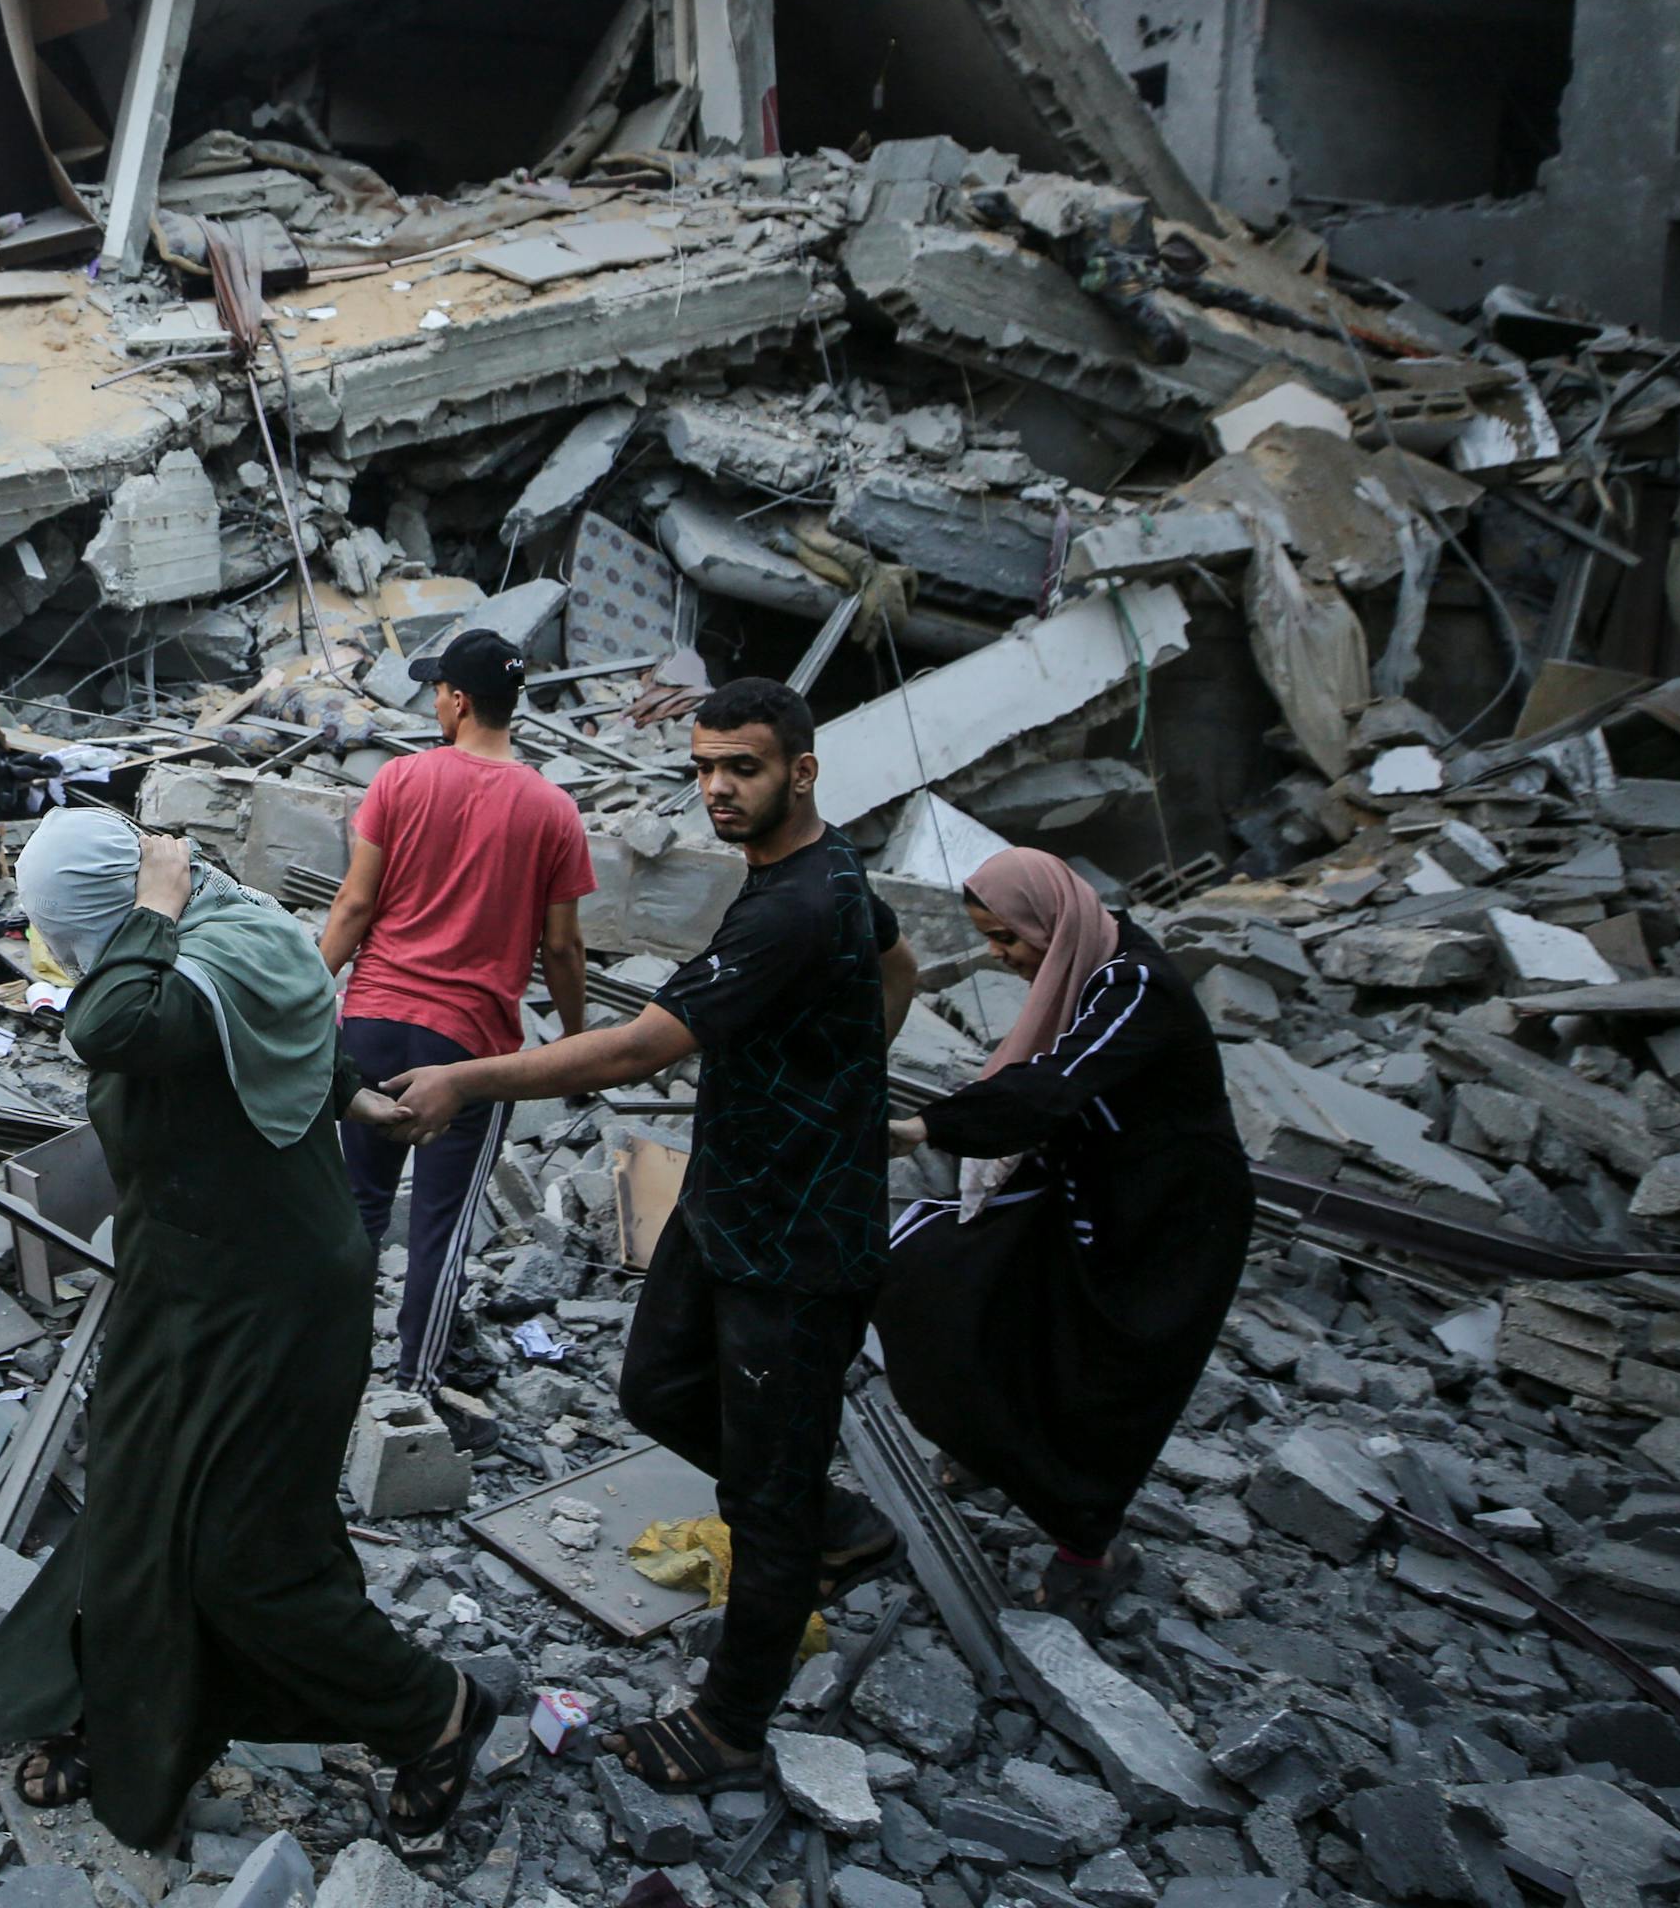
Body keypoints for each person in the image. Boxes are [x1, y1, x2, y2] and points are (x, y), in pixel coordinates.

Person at [376, 677, 913, 1792]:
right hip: (730, 1202)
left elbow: (634, 1051)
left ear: (801, 772)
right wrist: (835, 1074)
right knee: (656, 1390)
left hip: (797, 1243)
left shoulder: (799, 906)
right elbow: (898, 969)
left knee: (762, 1499)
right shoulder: (818, 877)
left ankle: (729, 1724)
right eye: (705, 767)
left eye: (744, 769)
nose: (716, 788)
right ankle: (829, 1515)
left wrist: (468, 1078)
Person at [0, 809, 502, 1857]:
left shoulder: (192, 959)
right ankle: (114, 1707)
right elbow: (280, 1044)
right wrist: (353, 1094)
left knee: (243, 1555)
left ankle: (434, 1713)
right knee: (130, 1504)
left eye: (59, 931)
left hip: (273, 1303)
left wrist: (151, 914)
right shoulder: (205, 955)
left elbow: (111, 1025)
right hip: (181, 1281)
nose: (51, 955)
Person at [879, 848, 1249, 1623]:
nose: (999, 956)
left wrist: (927, 1128)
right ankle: (992, 1447)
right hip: (1088, 1193)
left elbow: (1052, 1085)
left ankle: (1089, 1549)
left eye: (1008, 940)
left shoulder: (1133, 986)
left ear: (1053, 925)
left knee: (1107, 1380)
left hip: (1167, 1229)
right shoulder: (1088, 973)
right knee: (948, 1285)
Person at [321, 628, 596, 1390]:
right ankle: (412, 1387)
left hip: (371, 1026)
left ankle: (321, 1364)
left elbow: (354, 907)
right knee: (440, 1230)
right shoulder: (554, 811)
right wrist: (574, 1048)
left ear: (461, 700)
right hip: (470, 1052)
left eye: (439, 690)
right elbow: (564, 951)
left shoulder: (400, 781)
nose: (435, 702)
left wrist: (307, 997)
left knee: (357, 1210)